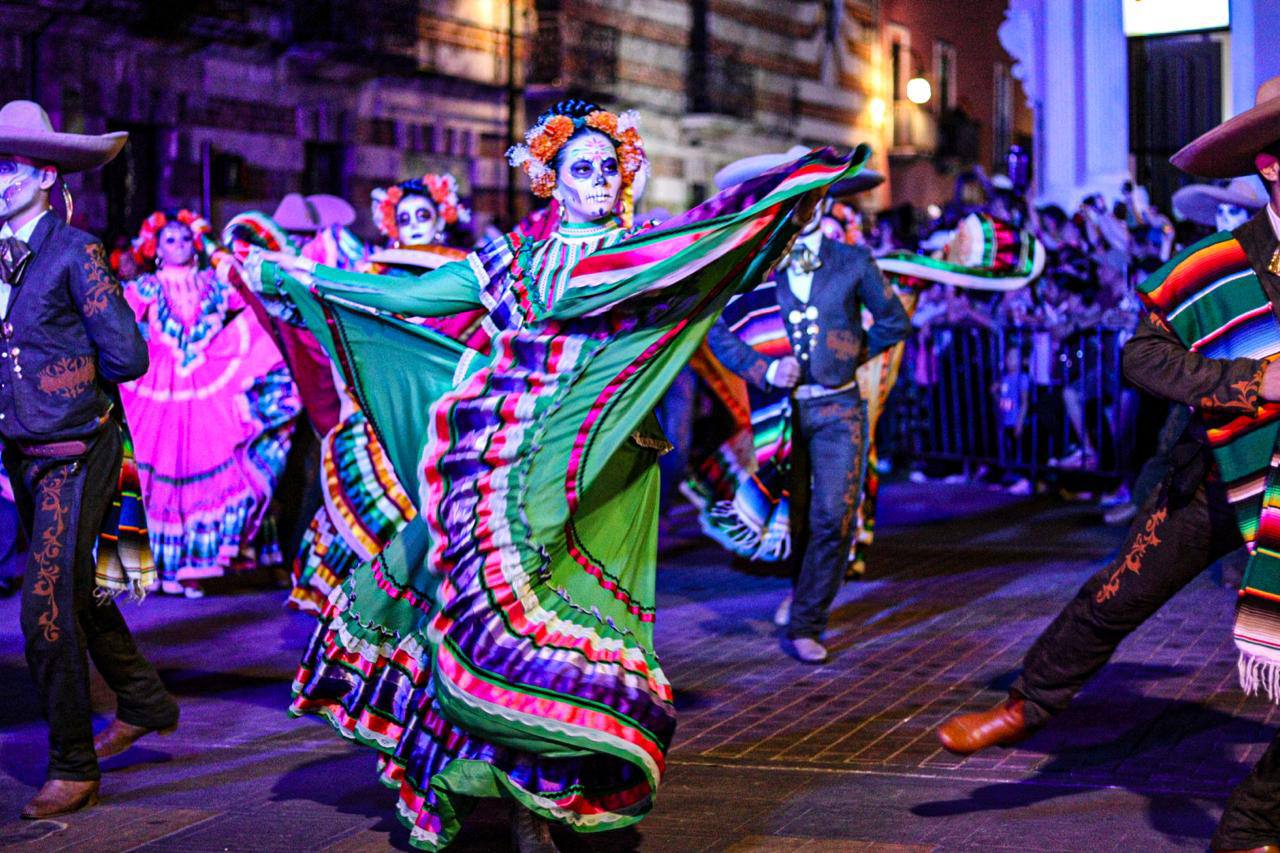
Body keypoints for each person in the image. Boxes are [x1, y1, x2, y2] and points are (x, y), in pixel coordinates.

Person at [266, 101, 867, 851]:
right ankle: (521, 795)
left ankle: (552, 792)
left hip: (613, 468)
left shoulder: (645, 248)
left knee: (583, 627)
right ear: (551, 180)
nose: (596, 181)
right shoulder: (514, 258)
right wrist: (311, 280)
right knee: (500, 616)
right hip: (514, 470)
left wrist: (786, 193)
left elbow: (725, 250)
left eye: (608, 168)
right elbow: (417, 297)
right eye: (579, 169)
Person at [935, 76, 1280, 852]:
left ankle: (1254, 822)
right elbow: (1143, 360)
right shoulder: (1216, 263)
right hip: (1216, 477)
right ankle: (1030, 701)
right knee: (1119, 593)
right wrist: (1249, 379)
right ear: (1272, 166)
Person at [0, 100, 178, 818]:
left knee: (43, 609)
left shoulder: (76, 252)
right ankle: (143, 699)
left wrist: (67, 394)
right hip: (23, 453)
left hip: (77, 451)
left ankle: (73, 762)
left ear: (45, 176)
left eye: (9, 167)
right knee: (77, 588)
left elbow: (127, 356)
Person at [696, 146, 910, 663]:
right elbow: (718, 331)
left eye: (813, 191)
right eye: (794, 191)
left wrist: (849, 353)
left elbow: (892, 322)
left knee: (834, 516)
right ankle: (800, 596)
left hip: (838, 409)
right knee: (789, 517)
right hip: (778, 412)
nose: (804, 200)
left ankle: (808, 620)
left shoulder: (854, 260)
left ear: (826, 195)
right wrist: (763, 368)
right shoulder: (755, 265)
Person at [288, 174, 476, 613]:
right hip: (381, 406)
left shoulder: (463, 269)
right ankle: (366, 595)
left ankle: (432, 591)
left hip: (443, 405)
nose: (412, 224)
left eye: (422, 215)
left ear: (441, 218)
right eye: (403, 216)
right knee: (369, 487)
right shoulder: (371, 272)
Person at [117, 209, 301, 598]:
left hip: (213, 381)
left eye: (185, 239)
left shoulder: (214, 284)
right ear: (155, 248)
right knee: (158, 474)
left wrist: (225, 255)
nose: (179, 246)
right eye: (169, 240)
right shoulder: (146, 288)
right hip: (160, 388)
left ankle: (196, 568)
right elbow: (117, 325)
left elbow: (254, 298)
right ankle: (155, 567)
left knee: (214, 465)